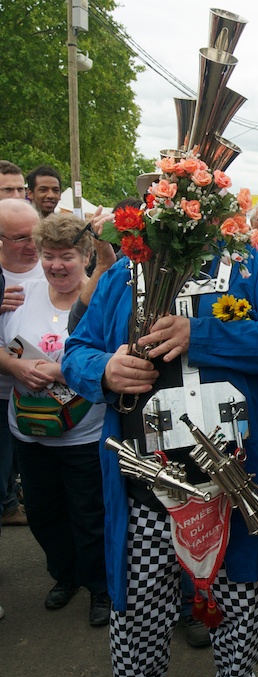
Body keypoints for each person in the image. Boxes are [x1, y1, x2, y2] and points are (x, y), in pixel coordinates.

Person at [62, 204, 258, 677]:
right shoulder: (123, 277)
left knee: (238, 637)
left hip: (238, 492)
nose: (174, 220)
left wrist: (202, 334)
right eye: (163, 206)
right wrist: (104, 370)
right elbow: (78, 352)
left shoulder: (252, 265)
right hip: (144, 495)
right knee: (138, 635)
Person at [0, 213, 108, 625]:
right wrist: (14, 369)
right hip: (29, 430)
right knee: (44, 513)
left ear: (84, 258)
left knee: (89, 513)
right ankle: (65, 575)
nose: (56, 265)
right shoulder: (19, 293)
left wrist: (62, 372)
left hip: (85, 432)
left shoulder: (99, 299)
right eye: (48, 256)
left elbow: (112, 356)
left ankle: (100, 586)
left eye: (66, 256)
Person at [0, 198, 46, 529]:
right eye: (20, 238)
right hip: (3, 394)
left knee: (41, 487)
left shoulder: (56, 262)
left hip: (49, 397)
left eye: (36, 235)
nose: (32, 246)